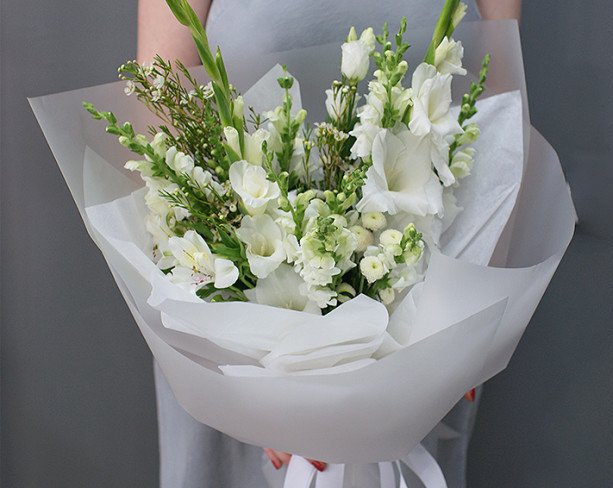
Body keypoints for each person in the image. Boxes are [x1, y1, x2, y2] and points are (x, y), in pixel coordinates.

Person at [138, 1, 521, 486]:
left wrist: (467, 336)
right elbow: (160, 115)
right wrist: (253, 387)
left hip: (419, 341)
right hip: (232, 341)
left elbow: (502, 113)